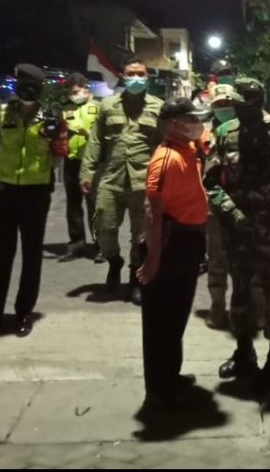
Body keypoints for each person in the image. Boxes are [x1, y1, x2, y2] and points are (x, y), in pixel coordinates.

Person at [206, 77, 270, 391]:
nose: (244, 105)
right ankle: (244, 352)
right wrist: (231, 211)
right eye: (240, 99)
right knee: (240, 290)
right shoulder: (224, 133)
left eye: (249, 98)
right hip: (238, 226)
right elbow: (210, 181)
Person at [0, 64, 61, 341]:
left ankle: (23, 314)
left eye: (33, 85)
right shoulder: (0, 115)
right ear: (16, 86)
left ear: (41, 87)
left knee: (32, 257)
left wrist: (48, 173)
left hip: (36, 194)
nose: (27, 89)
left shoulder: (51, 119)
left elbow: (59, 155)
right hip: (5, 193)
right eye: (23, 84)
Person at [136, 98, 210, 409]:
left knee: (176, 315)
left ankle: (170, 375)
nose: (197, 124)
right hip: (170, 242)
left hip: (189, 240)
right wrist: (152, 260)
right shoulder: (165, 160)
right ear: (172, 124)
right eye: (190, 119)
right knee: (160, 321)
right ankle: (158, 390)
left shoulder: (188, 149)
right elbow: (152, 211)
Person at [80, 57, 164, 305]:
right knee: (103, 228)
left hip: (143, 181)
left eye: (140, 74)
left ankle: (135, 279)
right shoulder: (108, 105)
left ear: (147, 77)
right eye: (131, 74)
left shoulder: (159, 107)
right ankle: (114, 260)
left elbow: (164, 145)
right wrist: (86, 171)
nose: (135, 78)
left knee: (141, 236)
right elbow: (95, 140)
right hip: (112, 178)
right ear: (123, 76)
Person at [203, 83, 239, 330]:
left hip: (245, 205)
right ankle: (217, 308)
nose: (224, 107)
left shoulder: (248, 130)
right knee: (216, 261)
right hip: (214, 208)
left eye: (228, 103)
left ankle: (243, 309)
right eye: (219, 104)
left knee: (245, 262)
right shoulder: (203, 132)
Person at [57, 73, 101, 263]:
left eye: (76, 91)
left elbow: (104, 135)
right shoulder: (65, 108)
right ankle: (76, 245)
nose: (73, 95)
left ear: (85, 88)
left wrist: (87, 132)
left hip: (92, 162)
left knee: (94, 205)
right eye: (70, 92)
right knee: (73, 205)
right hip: (71, 161)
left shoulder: (98, 107)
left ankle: (101, 246)